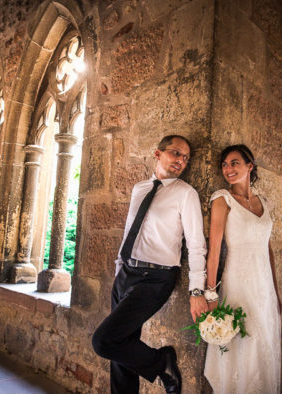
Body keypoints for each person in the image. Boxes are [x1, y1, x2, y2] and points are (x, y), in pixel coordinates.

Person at [92, 135, 209, 394]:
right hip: (126, 273)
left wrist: (197, 290)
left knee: (104, 341)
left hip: (155, 279)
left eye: (186, 158)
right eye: (176, 153)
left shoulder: (185, 194)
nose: (181, 161)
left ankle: (162, 362)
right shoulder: (140, 188)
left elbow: (197, 244)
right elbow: (129, 231)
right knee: (122, 353)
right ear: (158, 153)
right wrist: (119, 267)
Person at [202, 144, 282, 392]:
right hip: (237, 284)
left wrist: (276, 293)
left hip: (264, 287)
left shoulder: (264, 202)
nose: (228, 169)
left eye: (234, 162)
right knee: (242, 344)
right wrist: (211, 294)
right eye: (224, 165)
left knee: (263, 346)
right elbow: (214, 251)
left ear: (250, 165)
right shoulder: (222, 200)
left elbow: (267, 250)